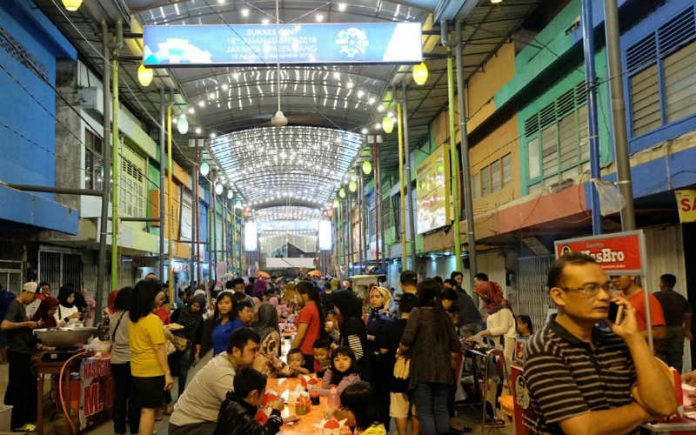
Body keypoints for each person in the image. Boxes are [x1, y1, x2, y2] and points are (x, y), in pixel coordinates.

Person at [524, 253, 676, 435]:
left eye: (606, 287)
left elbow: (665, 406)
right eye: (591, 289)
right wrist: (646, 410)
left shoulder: (615, 341)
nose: (604, 296)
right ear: (559, 296)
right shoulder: (544, 347)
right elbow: (583, 429)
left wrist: (634, 338)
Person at [169, 328, 261, 435]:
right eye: (253, 350)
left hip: (203, 422)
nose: (257, 355)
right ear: (236, 351)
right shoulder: (223, 374)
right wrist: (258, 374)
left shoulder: (230, 359)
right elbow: (246, 410)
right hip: (187, 427)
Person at [399, 279, 460, 435]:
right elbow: (456, 345)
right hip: (444, 371)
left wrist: (401, 351)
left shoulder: (417, 313)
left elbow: (406, 341)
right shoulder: (444, 316)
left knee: (425, 413)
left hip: (422, 370)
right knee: (441, 410)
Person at [129, 279, 174, 435]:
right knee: (149, 411)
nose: (161, 297)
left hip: (137, 369)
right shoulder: (152, 320)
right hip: (152, 371)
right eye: (158, 294)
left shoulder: (133, 318)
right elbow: (159, 348)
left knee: (146, 410)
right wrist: (167, 373)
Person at [1, 282, 40, 431]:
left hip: (23, 351)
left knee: (26, 387)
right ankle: (16, 423)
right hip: (17, 353)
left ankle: (22, 419)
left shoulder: (21, 306)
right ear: (27, 293)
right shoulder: (15, 305)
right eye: (33, 297)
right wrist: (26, 323)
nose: (33, 300)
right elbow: (4, 325)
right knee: (18, 388)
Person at [381, 293, 419, 435]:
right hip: (417, 372)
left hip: (397, 372)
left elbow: (383, 349)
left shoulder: (391, 326)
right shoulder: (420, 328)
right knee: (416, 408)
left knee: (399, 408)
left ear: (400, 306)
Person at [214, 367, 284, 435]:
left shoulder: (232, 402)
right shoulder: (239, 413)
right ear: (254, 394)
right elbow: (264, 433)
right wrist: (276, 411)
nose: (263, 396)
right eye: (263, 393)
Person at [109, 287, 140, 435]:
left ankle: (119, 431)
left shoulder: (114, 316)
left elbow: (111, 339)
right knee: (134, 400)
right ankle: (134, 430)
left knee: (119, 397)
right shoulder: (133, 317)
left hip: (116, 362)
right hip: (131, 361)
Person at [168, 294, 206, 404]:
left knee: (183, 371)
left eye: (198, 307)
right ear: (190, 303)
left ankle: (180, 394)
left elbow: (199, 337)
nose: (195, 308)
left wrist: (197, 353)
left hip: (187, 345)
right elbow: (170, 325)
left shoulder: (200, 319)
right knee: (170, 369)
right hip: (174, 343)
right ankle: (167, 398)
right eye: (194, 305)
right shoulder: (179, 311)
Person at [365, 286, 394, 427]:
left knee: (383, 397)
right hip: (373, 362)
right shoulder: (372, 315)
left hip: (384, 363)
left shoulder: (388, 317)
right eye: (372, 297)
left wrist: (369, 338)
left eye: (378, 296)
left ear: (385, 297)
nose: (374, 300)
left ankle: (384, 426)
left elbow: (385, 343)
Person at [471, 280, 516, 369]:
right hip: (496, 346)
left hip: (505, 347)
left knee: (505, 373)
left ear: (487, 294)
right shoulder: (493, 308)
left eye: (482, 296)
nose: (481, 299)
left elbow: (503, 329)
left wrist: (482, 333)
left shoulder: (504, 308)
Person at [654, 273, 692, 371]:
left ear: (663, 283)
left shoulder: (655, 296)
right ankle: (677, 382)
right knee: (676, 360)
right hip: (677, 331)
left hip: (662, 330)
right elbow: (688, 315)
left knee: (661, 359)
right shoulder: (681, 298)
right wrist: (687, 329)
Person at [613, 274, 666, 340]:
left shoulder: (647, 299)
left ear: (632, 276)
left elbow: (660, 333)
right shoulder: (616, 298)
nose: (614, 280)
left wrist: (630, 335)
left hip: (642, 347)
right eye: (612, 277)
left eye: (618, 276)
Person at [331, 290, 370, 380]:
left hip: (355, 375)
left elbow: (357, 353)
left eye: (336, 306)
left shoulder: (352, 323)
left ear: (343, 305)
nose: (334, 309)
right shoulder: (351, 320)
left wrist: (337, 351)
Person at [291, 281, 324, 370]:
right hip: (312, 351)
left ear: (305, 295)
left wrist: (291, 352)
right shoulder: (315, 307)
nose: (296, 298)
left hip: (306, 352)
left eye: (297, 295)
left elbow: (300, 336)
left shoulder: (307, 310)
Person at [201, 292, 236, 356]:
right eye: (220, 303)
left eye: (227, 303)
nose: (223, 306)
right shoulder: (214, 322)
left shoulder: (236, 323)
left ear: (233, 304)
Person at [448, 272, 482, 337]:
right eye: (458, 279)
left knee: (468, 345)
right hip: (477, 322)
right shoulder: (463, 293)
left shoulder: (455, 295)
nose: (460, 281)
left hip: (465, 323)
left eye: (461, 279)